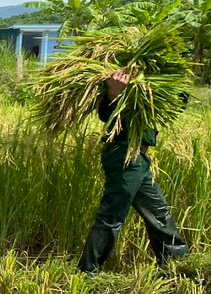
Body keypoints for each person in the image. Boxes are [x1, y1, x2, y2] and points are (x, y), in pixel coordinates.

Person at [77, 69, 188, 273]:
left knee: (158, 212)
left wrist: (170, 82)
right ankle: (87, 272)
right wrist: (114, 94)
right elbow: (105, 115)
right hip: (124, 154)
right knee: (112, 215)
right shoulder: (117, 77)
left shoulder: (153, 81)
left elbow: (179, 102)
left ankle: (178, 266)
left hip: (139, 157)